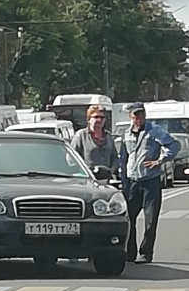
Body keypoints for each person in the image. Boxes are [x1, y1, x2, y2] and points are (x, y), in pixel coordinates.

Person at [119, 101, 179, 263]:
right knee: (129, 219)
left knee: (150, 220)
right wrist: (123, 180)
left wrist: (160, 160)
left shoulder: (154, 131)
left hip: (150, 182)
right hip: (132, 182)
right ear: (130, 116)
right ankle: (129, 253)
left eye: (141, 114)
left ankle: (146, 253)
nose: (139, 117)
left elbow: (174, 144)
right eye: (135, 115)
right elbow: (123, 158)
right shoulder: (126, 133)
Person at [71, 105, 118, 175]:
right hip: (86, 178)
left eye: (102, 117)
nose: (100, 120)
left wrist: (111, 171)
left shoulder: (108, 137)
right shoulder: (81, 135)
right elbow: (71, 158)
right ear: (89, 119)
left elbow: (115, 158)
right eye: (96, 117)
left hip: (105, 179)